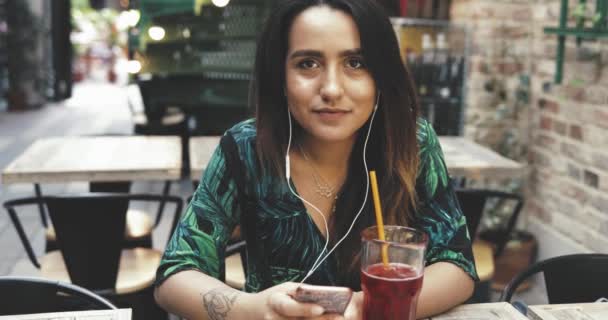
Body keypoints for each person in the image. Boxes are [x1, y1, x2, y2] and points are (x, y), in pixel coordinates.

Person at [154, 0, 477, 319]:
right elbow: (175, 275)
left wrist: (363, 307)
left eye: (355, 63)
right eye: (308, 63)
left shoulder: (411, 141)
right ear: (279, 76)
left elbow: (458, 266)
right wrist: (255, 309)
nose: (332, 89)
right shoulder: (246, 147)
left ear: (381, 75)